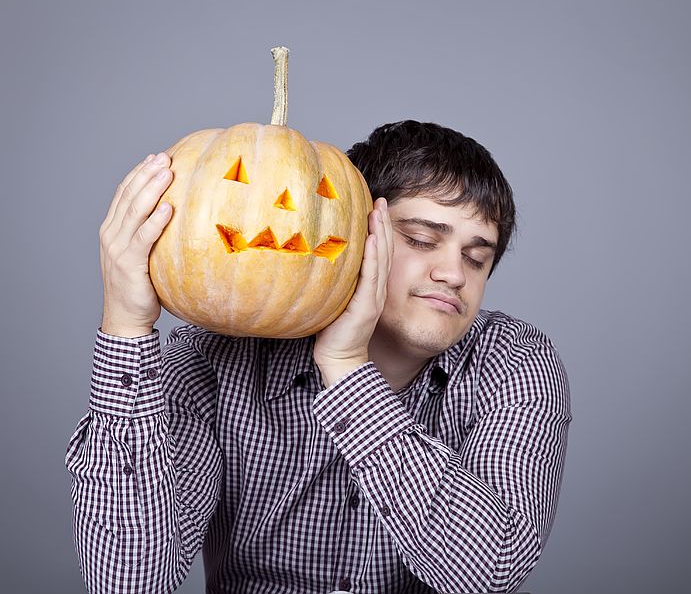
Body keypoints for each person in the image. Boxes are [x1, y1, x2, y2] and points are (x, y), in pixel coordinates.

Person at [66, 120, 571, 594]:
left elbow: (489, 568)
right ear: (349, 233)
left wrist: (347, 368)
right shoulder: (211, 361)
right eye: (421, 240)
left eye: (475, 257)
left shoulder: (515, 362)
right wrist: (128, 329)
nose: (454, 274)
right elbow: (127, 579)